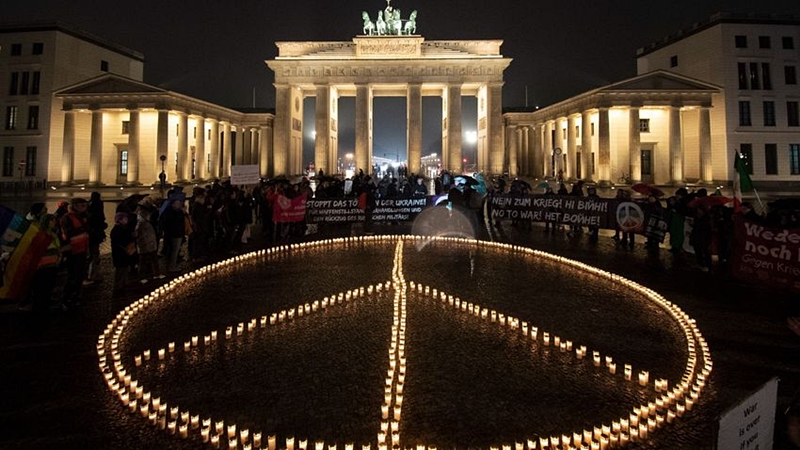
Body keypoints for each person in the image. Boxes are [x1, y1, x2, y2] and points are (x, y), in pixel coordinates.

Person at [58, 198, 90, 309]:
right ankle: (66, 299)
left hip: (82, 249)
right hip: (73, 251)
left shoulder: (82, 216)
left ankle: (76, 297)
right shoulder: (67, 218)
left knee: (79, 275)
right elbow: (68, 234)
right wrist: (83, 229)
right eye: (82, 205)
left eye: (85, 205)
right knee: (72, 276)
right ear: (75, 206)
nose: (84, 207)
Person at [135, 205, 163, 283]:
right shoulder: (141, 225)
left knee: (154, 261)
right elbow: (140, 237)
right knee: (143, 263)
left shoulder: (147, 223)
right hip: (145, 246)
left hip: (151, 245)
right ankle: (142, 277)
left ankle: (156, 274)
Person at [110, 212, 136, 293]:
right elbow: (120, 241)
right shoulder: (117, 230)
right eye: (125, 218)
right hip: (120, 253)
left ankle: (124, 283)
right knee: (120, 270)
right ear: (120, 220)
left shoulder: (123, 228)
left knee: (125, 268)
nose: (127, 220)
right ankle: (118, 286)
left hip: (124, 253)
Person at [85, 191, 108, 284]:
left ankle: (89, 274)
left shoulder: (88, 207)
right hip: (95, 235)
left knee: (91, 255)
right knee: (94, 255)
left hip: (91, 236)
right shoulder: (97, 208)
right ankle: (93, 274)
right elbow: (101, 220)